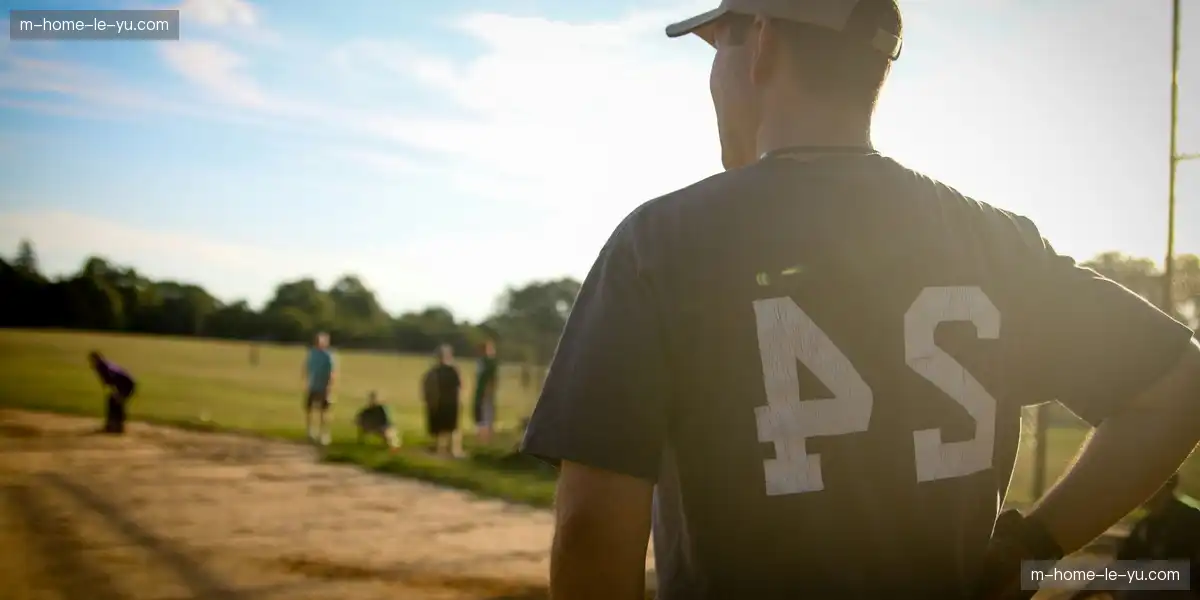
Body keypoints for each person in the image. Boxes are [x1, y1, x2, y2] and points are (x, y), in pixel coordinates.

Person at [518, 0, 1200, 598]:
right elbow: (1181, 386)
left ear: (762, 41)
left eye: (718, 44)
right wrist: (1032, 547)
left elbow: (589, 531)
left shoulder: (660, 243)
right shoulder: (993, 241)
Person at [88, 351, 136, 434]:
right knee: (113, 400)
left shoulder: (103, 367)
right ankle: (114, 425)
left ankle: (116, 426)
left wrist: (120, 394)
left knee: (115, 401)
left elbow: (115, 379)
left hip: (127, 385)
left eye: (93, 360)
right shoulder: (102, 366)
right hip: (124, 384)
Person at [428, 344, 463, 457]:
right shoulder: (442, 370)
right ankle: (445, 450)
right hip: (444, 401)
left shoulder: (442, 370)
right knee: (445, 428)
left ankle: (449, 450)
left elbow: (459, 386)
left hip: (448, 401)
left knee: (449, 428)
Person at [302, 332, 336, 445]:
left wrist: (329, 387)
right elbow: (307, 367)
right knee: (309, 409)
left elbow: (332, 373)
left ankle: (324, 434)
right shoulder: (312, 353)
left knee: (323, 411)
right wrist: (306, 382)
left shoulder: (328, 356)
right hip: (313, 385)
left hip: (323, 386)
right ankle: (310, 432)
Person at [472, 339, 500, 444]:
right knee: (484, 414)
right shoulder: (485, 362)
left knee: (485, 415)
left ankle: (485, 438)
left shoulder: (487, 362)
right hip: (482, 391)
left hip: (484, 392)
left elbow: (492, 380)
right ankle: (483, 438)